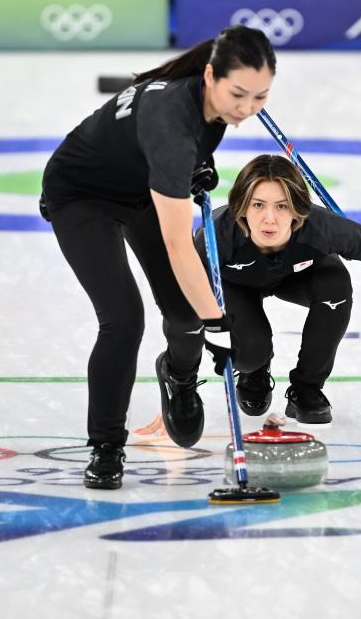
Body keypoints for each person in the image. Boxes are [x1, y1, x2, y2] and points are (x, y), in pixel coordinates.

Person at [40, 26, 276, 490]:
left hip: (141, 188)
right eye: (238, 94)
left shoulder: (208, 107)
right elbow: (176, 243)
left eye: (261, 97)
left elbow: (176, 150)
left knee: (185, 312)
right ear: (209, 76)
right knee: (124, 319)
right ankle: (106, 445)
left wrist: (196, 166)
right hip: (81, 196)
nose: (247, 109)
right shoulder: (172, 122)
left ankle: (179, 376)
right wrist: (218, 325)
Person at [189, 154, 361, 425]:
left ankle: (306, 387)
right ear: (241, 205)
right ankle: (255, 369)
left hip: (296, 276)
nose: (269, 218)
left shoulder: (320, 227)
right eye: (258, 205)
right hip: (235, 284)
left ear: (297, 208)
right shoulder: (217, 234)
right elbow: (182, 290)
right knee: (250, 354)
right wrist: (192, 357)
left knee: (335, 285)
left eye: (282, 206)